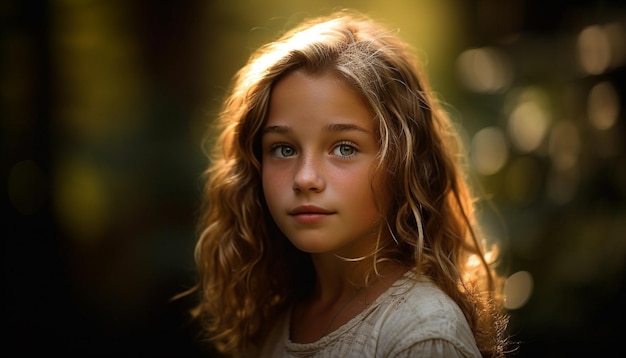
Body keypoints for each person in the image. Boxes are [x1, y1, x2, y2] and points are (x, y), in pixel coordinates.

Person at [183, 9, 511, 357]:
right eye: (283, 148)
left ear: (403, 163)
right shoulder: (272, 323)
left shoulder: (422, 334)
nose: (305, 178)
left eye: (344, 147)